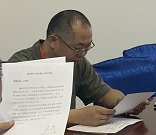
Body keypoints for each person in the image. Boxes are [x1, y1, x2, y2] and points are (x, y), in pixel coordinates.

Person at [9, 10, 145, 127]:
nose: (83, 54)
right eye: (78, 48)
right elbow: (16, 116)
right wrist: (75, 116)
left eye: (87, 47)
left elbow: (104, 94)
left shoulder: (77, 62)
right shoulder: (20, 64)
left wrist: (125, 104)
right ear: (53, 41)